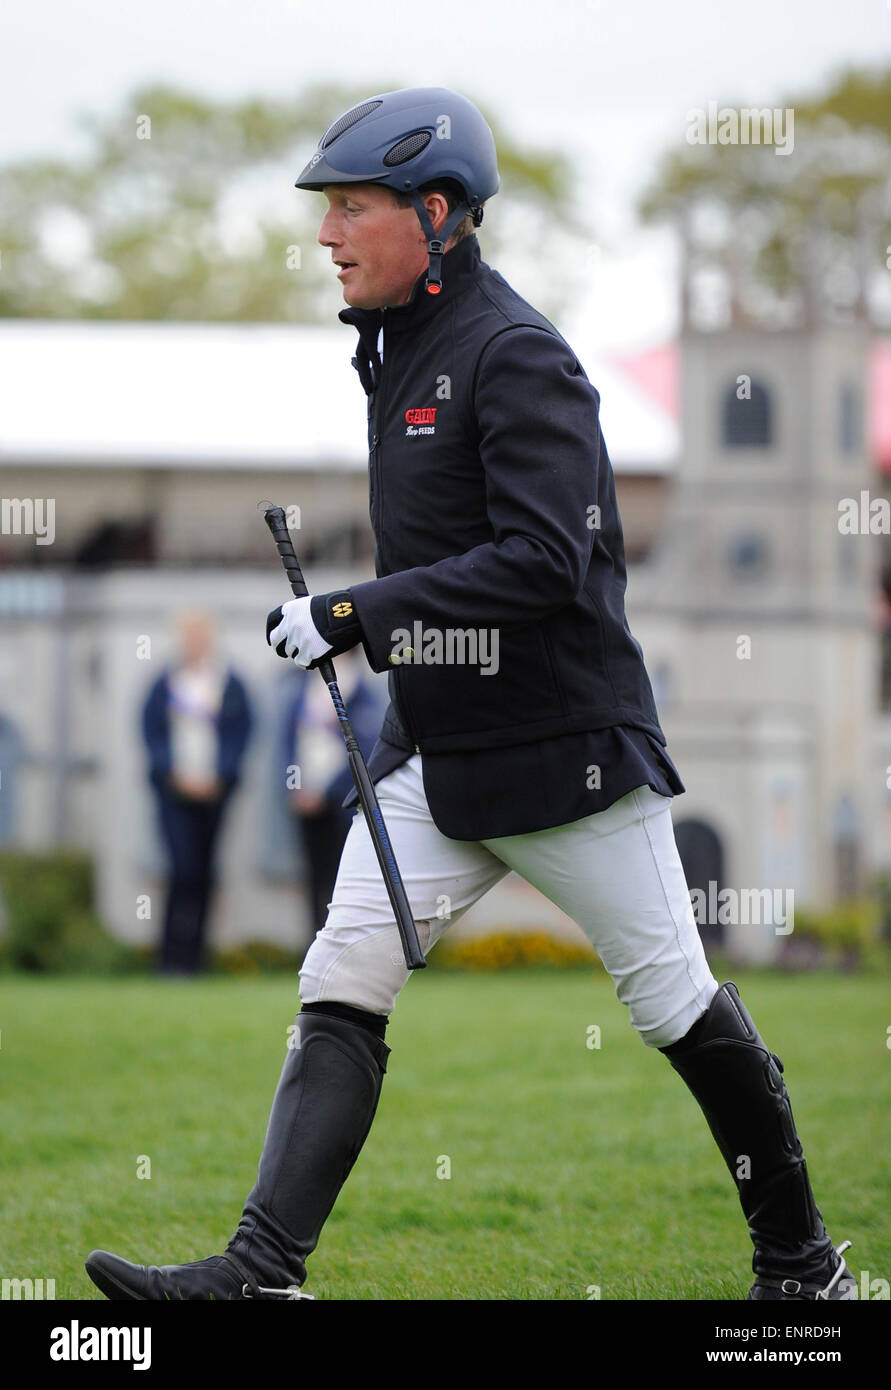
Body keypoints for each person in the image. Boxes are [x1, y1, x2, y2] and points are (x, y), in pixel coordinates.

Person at [86, 88, 854, 1301]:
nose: (326, 234)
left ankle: (806, 1271)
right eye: (325, 210)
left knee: (673, 1002)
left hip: (568, 754)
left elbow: (547, 561)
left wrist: (350, 615)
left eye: (351, 208)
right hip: (436, 754)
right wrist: (377, 637)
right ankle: (260, 1276)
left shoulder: (520, 355)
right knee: (342, 971)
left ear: (434, 217)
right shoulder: (393, 348)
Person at [141, 611, 252, 975]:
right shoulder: (165, 683)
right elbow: (151, 732)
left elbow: (243, 732)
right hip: (175, 794)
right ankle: (171, 958)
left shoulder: (229, 684)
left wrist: (220, 776)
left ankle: (197, 958)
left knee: (206, 870)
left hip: (215, 795)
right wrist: (172, 773)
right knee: (181, 869)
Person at [281, 650, 386, 936]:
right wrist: (296, 788)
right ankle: (316, 941)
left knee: (346, 880)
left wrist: (326, 792)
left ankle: (344, 941)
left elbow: (363, 749)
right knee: (315, 878)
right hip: (305, 800)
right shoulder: (303, 689)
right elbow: (288, 743)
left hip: (345, 802)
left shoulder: (362, 692)